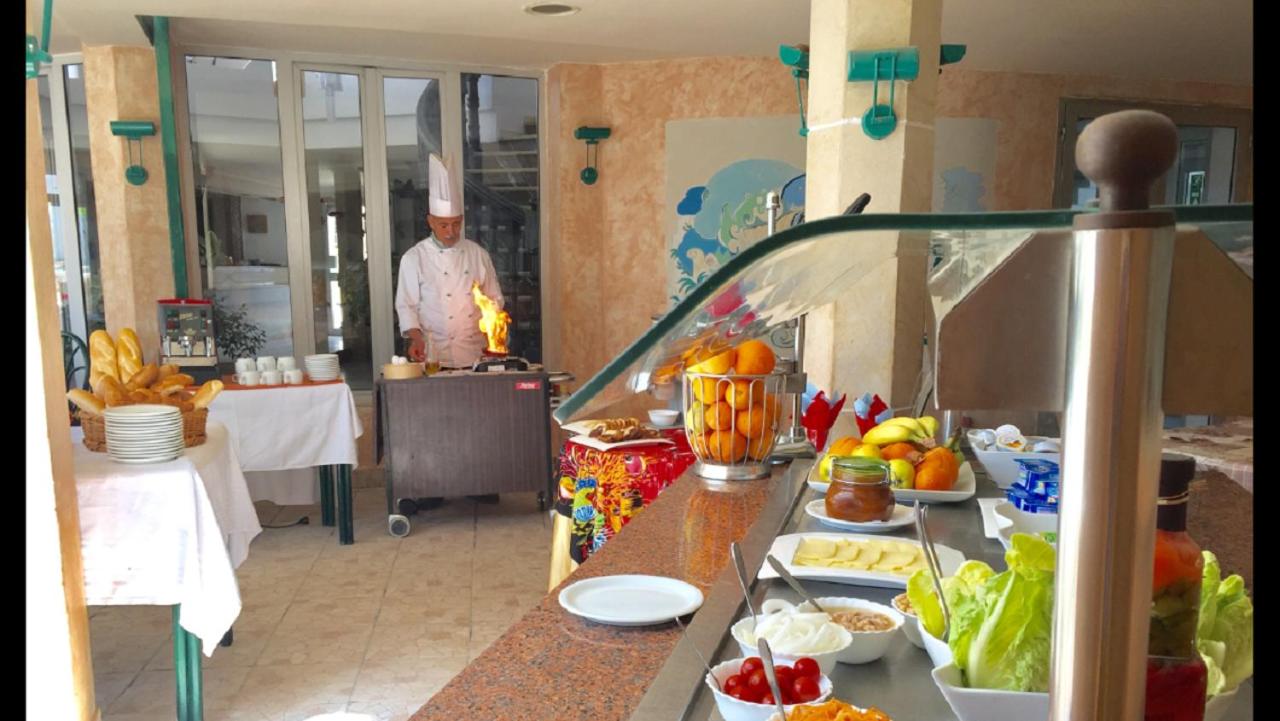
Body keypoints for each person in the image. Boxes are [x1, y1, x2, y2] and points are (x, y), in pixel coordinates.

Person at [394, 153, 504, 369]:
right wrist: (416, 339)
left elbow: (494, 298)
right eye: (444, 225)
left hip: (474, 353)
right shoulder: (414, 258)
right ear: (431, 222)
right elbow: (406, 305)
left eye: (456, 224)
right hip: (433, 353)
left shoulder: (478, 254)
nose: (451, 231)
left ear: (462, 220)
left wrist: (492, 331)